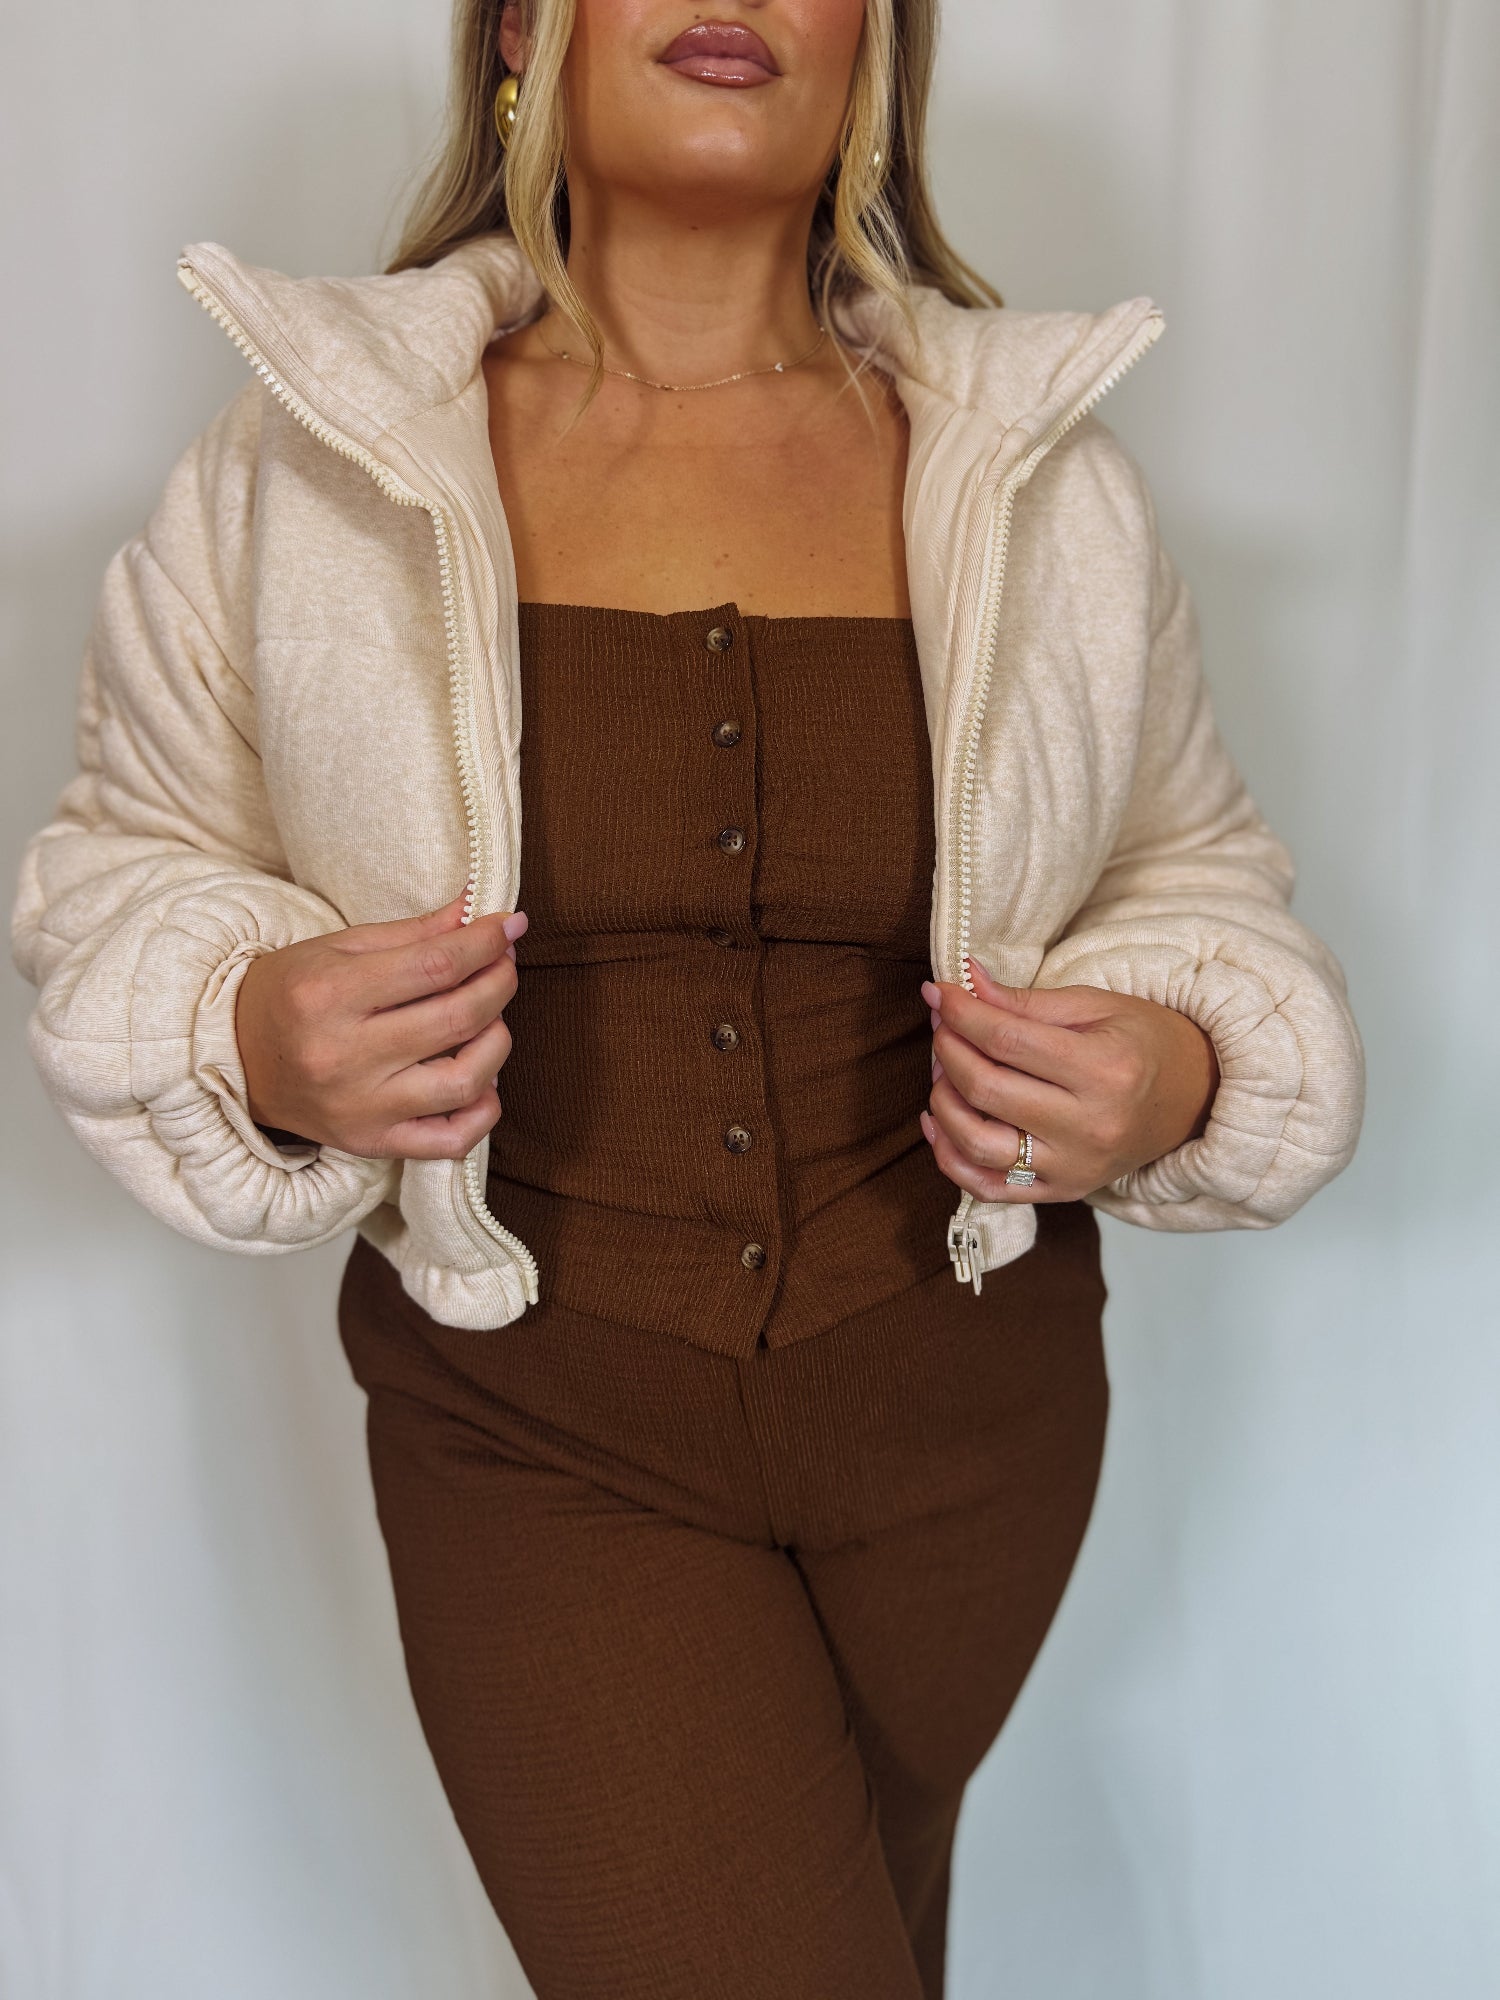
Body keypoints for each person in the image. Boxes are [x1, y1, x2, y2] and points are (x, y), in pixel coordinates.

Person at [10, 2, 1366, 1994]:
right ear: (519, 34)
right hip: (543, 1427)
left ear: (877, 57)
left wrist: (1177, 1065)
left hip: (972, 1432)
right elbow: (121, 860)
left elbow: (1195, 874)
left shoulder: (1038, 480)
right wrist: (247, 1024)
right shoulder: (316, 462)